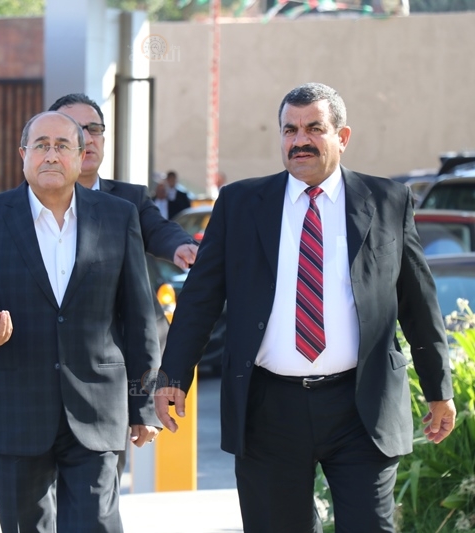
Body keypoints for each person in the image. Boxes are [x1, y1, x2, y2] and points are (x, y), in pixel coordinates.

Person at [155, 82, 456, 532]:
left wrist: (438, 388)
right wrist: (174, 375)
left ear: (342, 136)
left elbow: (417, 302)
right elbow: (201, 297)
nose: (300, 141)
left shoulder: (387, 201)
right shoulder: (240, 203)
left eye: (314, 128)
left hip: (361, 405)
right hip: (267, 409)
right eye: (289, 130)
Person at [0, 111, 160, 532]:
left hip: (97, 409)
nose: (51, 155)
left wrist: (142, 404)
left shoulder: (117, 216)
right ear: (23, 155)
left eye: (62, 146)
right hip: (16, 409)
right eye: (41, 145)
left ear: (82, 156)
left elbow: (139, 315)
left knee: (96, 524)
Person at [0, 93, 199, 403]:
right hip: (32, 377)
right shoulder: (6, 213)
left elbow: (158, 229)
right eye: (76, 130)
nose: (87, 138)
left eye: (94, 129)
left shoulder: (126, 202)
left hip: (113, 370)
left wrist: (181, 246)